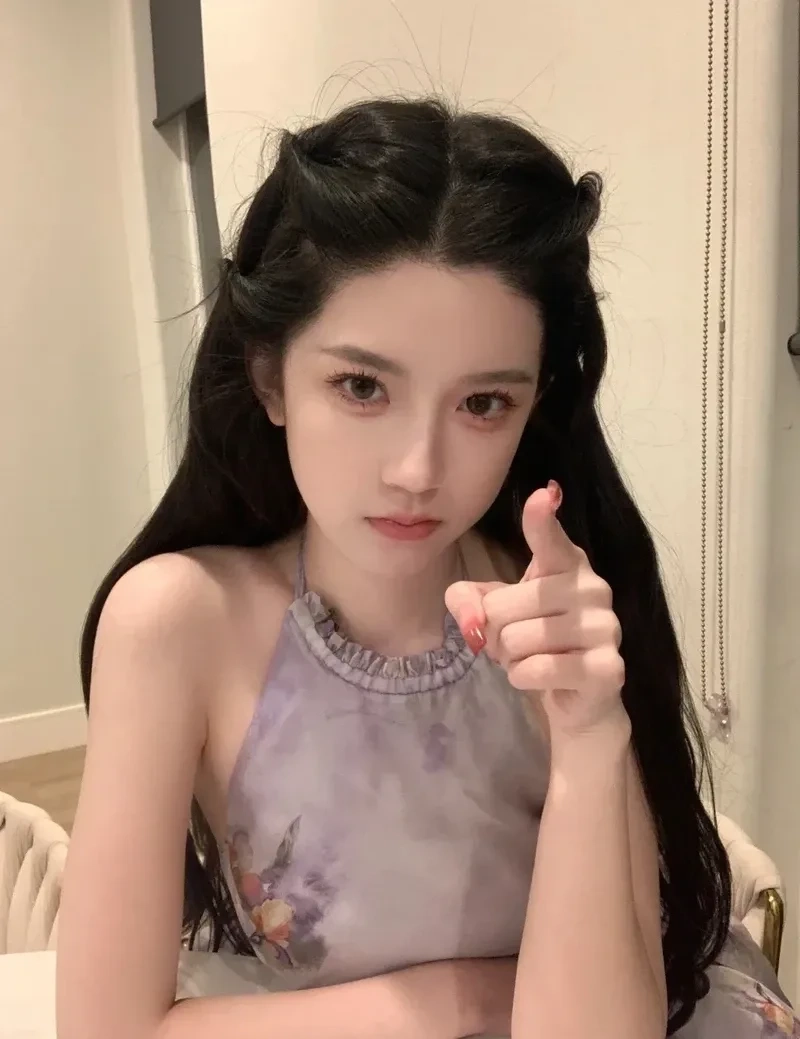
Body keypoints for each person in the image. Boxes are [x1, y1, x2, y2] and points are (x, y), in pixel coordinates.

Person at [56, 97, 798, 1039]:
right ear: (270, 375)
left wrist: (588, 734)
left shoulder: (552, 617)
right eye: (362, 386)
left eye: (483, 403)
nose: (417, 469)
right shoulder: (176, 623)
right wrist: (472, 996)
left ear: (533, 404)